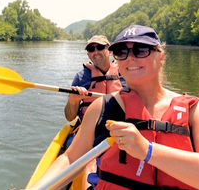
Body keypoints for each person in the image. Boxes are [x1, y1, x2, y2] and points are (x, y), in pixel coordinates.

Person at [29, 25, 199, 189]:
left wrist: (147, 151)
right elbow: (71, 158)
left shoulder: (193, 112)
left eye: (141, 50)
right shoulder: (100, 107)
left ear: (161, 57)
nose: (130, 58)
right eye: (121, 52)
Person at [64, 35, 124, 122]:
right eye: (91, 49)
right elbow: (70, 117)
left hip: (119, 126)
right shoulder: (81, 77)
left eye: (100, 47)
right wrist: (73, 100)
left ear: (110, 51)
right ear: (88, 55)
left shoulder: (125, 73)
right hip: (91, 126)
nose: (95, 52)